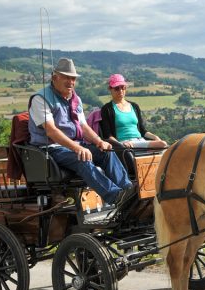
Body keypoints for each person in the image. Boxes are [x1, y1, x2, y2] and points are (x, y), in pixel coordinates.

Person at [28, 58, 136, 207]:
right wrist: (77, 148)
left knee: (108, 153)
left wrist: (99, 141)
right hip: (52, 149)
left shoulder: (75, 99)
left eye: (73, 78)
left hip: (75, 145)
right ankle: (116, 197)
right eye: (66, 77)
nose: (71, 82)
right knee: (82, 158)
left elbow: (83, 126)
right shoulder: (41, 99)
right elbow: (51, 131)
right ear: (55, 78)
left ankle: (128, 190)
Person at [99, 74, 168, 149]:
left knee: (163, 144)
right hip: (124, 143)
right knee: (162, 144)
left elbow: (142, 131)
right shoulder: (107, 109)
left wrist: (155, 137)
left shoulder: (134, 107)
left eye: (123, 87)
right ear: (110, 89)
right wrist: (120, 145)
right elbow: (108, 135)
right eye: (116, 88)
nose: (120, 91)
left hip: (140, 141)